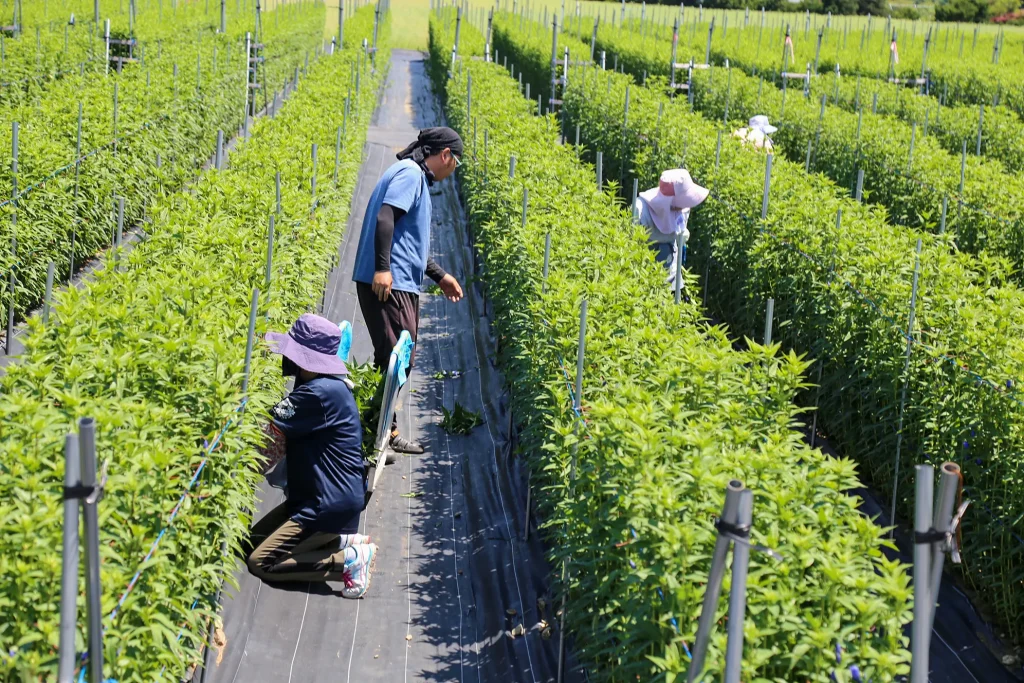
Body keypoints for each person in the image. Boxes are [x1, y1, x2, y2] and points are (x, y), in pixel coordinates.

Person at [352, 127, 465, 456]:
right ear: (445, 155)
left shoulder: (413, 176)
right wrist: (383, 269)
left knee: (391, 358)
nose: (454, 169)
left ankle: (384, 428)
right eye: (455, 162)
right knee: (397, 359)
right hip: (390, 282)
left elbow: (409, 241)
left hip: (397, 279)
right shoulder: (410, 174)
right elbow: (386, 218)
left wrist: (440, 275)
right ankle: (372, 433)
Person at [247, 314, 376, 598]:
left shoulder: (318, 393)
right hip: (316, 496)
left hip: (326, 503)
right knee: (249, 543)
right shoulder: (324, 384)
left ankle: (347, 562)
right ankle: (341, 540)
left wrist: (230, 469)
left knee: (262, 562)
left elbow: (267, 446)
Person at [634, 169, 709, 284]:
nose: (684, 206)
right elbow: (632, 245)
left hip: (672, 270)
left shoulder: (683, 208)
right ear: (669, 200)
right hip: (644, 274)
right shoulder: (641, 210)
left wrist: (682, 236)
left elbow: (680, 226)